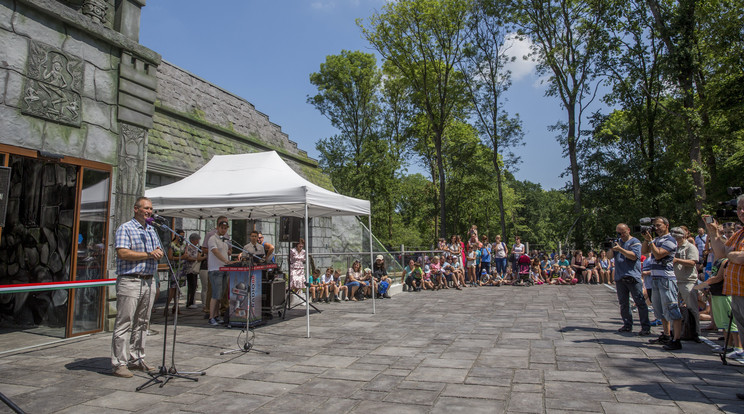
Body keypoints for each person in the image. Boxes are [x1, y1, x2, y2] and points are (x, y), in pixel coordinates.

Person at [111, 196, 163, 378]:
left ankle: (137, 358)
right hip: (130, 281)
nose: (149, 211)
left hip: (149, 280)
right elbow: (123, 252)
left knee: (143, 322)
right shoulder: (126, 228)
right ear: (136, 209)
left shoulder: (152, 230)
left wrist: (158, 253)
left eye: (151, 209)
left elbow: (157, 249)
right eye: (146, 208)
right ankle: (119, 363)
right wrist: (149, 254)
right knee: (124, 322)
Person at [642, 217, 682, 350]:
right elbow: (644, 252)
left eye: (659, 225)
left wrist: (651, 241)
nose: (656, 228)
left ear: (667, 225)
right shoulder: (657, 240)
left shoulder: (670, 240)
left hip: (666, 279)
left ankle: (676, 339)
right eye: (654, 226)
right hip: (655, 278)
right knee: (660, 310)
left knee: (671, 308)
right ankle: (666, 335)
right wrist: (646, 238)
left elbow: (659, 255)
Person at [612, 223, 650, 336]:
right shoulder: (617, 242)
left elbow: (634, 256)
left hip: (633, 276)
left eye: (623, 232)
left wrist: (620, 249)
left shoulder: (635, 242)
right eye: (619, 233)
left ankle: (645, 326)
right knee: (623, 303)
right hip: (620, 276)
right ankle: (627, 324)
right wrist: (610, 247)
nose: (621, 235)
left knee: (640, 302)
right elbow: (609, 256)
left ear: (628, 230)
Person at [671, 226, 700, 341]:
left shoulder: (690, 247)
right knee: (674, 307)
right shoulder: (673, 247)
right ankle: (676, 332)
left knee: (692, 308)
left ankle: (696, 333)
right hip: (675, 280)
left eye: (677, 234)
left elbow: (693, 262)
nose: (675, 236)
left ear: (683, 235)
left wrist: (677, 260)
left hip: (688, 281)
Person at [207, 218, 236, 326]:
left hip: (224, 269)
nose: (223, 230)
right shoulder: (212, 239)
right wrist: (226, 261)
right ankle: (211, 317)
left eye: (225, 228)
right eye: (222, 228)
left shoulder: (225, 240)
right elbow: (215, 252)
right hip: (215, 270)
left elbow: (227, 251)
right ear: (217, 227)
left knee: (220, 294)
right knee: (215, 294)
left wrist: (229, 254)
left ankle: (216, 315)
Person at [165, 229, 186, 316]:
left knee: (178, 290)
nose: (181, 237)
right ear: (176, 235)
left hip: (182, 269)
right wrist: (181, 257)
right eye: (180, 235)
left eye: (183, 235)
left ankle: (176, 307)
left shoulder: (183, 245)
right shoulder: (172, 245)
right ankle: (167, 307)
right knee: (172, 289)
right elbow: (170, 257)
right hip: (174, 269)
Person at [183, 233, 205, 309]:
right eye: (196, 240)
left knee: (195, 285)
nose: (197, 242)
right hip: (190, 269)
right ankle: (190, 302)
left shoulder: (197, 248)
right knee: (192, 285)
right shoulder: (189, 248)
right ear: (192, 240)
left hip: (195, 269)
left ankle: (192, 300)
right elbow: (188, 257)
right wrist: (196, 259)